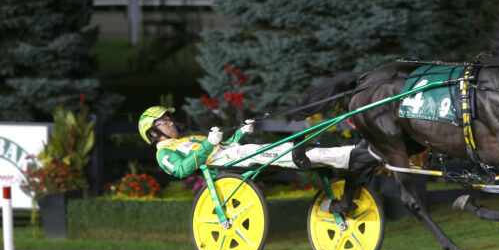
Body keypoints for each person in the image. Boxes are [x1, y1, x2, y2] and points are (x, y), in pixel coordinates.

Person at [138, 106, 358, 180]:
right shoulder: (164, 153)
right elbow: (181, 170)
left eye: (170, 120)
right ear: (153, 133)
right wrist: (209, 144)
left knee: (287, 148)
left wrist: (240, 132)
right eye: (164, 122)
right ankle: (346, 155)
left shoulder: (186, 139)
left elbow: (223, 147)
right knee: (284, 152)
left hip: (233, 154)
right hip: (228, 162)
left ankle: (344, 154)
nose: (171, 124)